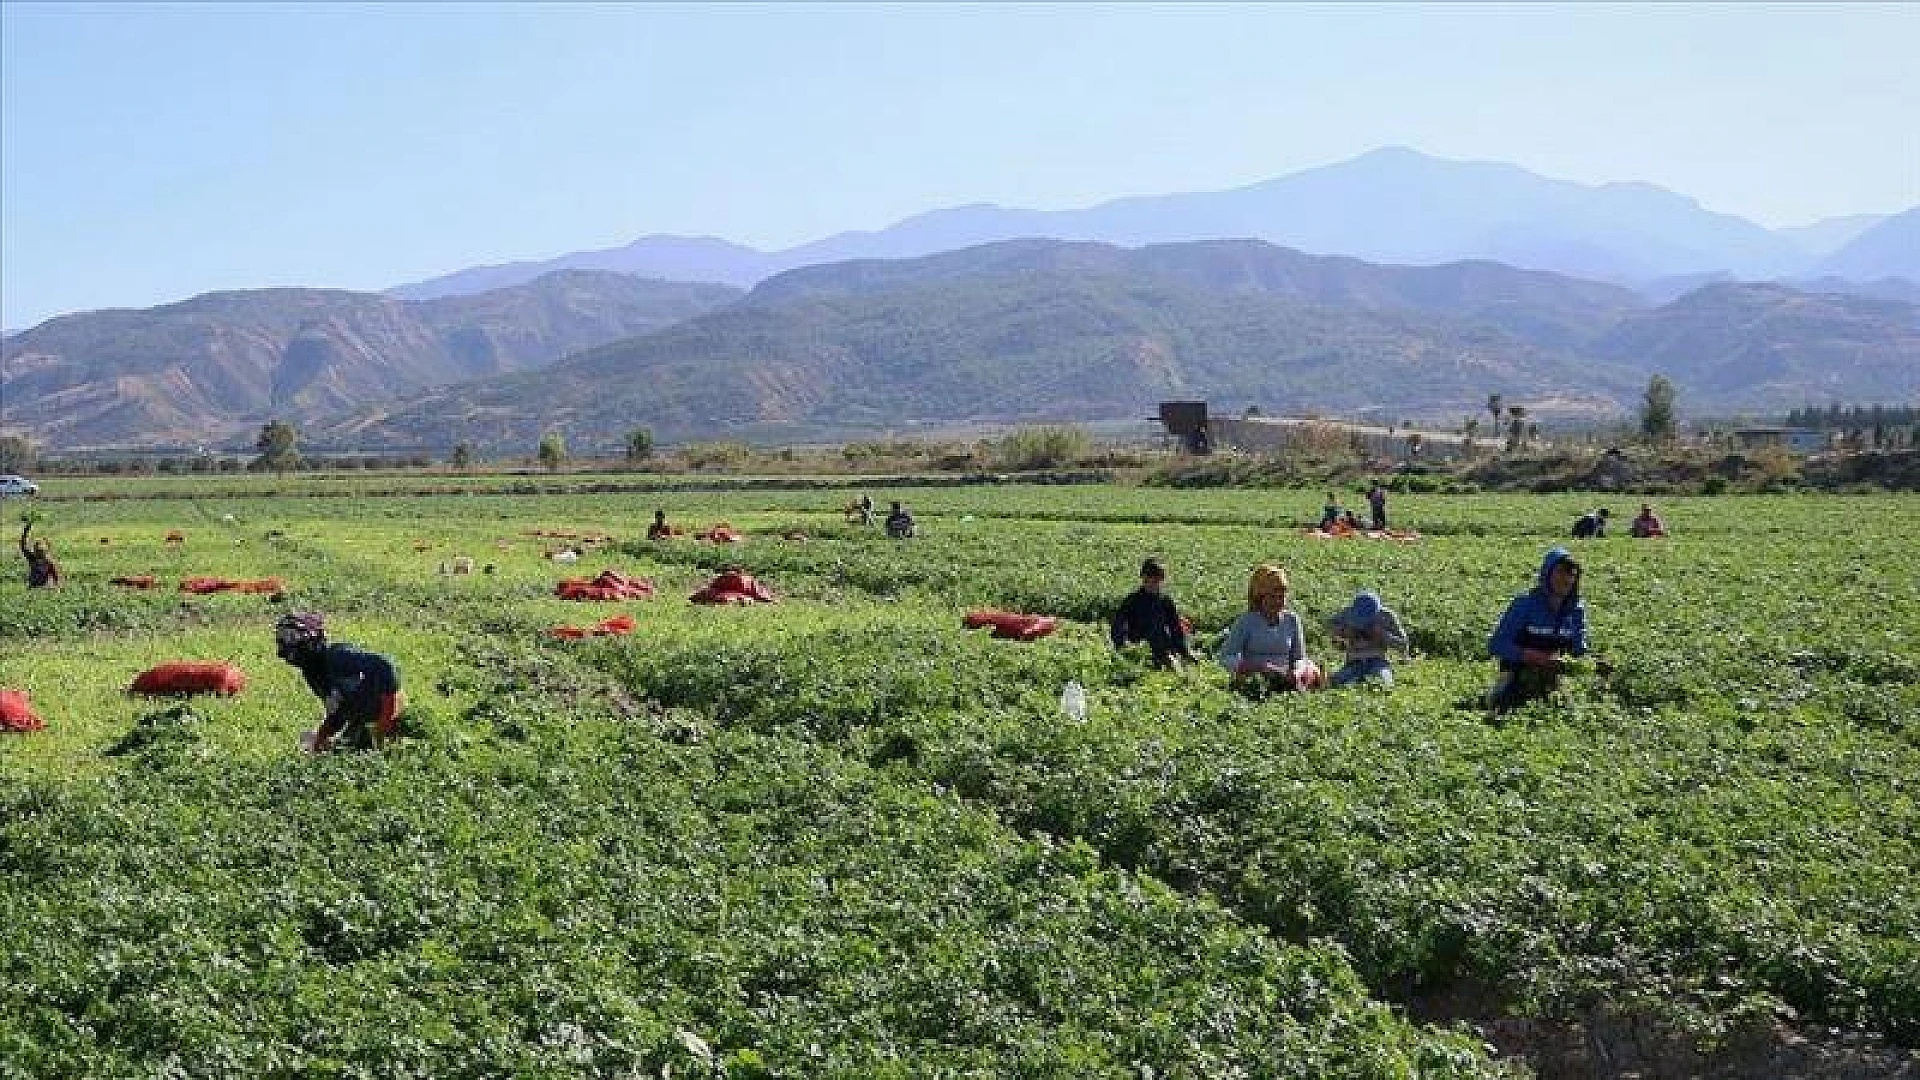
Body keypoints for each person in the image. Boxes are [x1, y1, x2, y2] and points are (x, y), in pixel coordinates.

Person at [1486, 547, 1607, 712]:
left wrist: (1593, 663)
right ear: (1547, 574)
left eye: (1571, 574)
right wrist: (1534, 657)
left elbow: (1579, 649)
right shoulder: (1525, 604)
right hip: (1517, 673)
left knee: (1566, 712)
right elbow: (1496, 644)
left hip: (1553, 679)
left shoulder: (1576, 610)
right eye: (1560, 572)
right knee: (1506, 707)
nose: (1565, 579)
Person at [275, 612, 404, 752]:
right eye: (282, 640)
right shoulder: (312, 673)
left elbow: (384, 667)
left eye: (291, 637)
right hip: (363, 724)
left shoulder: (338, 656)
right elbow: (338, 712)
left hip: (390, 718)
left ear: (313, 637)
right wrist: (321, 738)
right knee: (336, 751)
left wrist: (385, 723)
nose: (285, 647)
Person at [1218, 565, 1319, 693]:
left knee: (1311, 669)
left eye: (1281, 597)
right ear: (1260, 597)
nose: (1277, 602)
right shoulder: (1247, 621)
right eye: (1272, 597)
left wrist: (1296, 672)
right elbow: (1226, 657)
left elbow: (1299, 657)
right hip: (1257, 676)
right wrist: (1259, 668)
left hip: (1287, 675)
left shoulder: (1292, 620)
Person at [1109, 558, 1198, 670]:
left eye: (1155, 581)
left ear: (1161, 581)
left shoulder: (1165, 601)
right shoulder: (1132, 601)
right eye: (1147, 580)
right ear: (1143, 579)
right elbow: (1118, 626)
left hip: (1162, 649)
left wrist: (1185, 652)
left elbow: (1175, 629)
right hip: (1139, 650)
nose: (1151, 584)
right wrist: (1124, 647)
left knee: (1175, 669)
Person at [1327, 590, 1409, 687]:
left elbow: (1403, 645)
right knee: (1335, 682)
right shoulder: (1344, 616)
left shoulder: (1387, 617)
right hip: (1354, 662)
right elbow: (1336, 642)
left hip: (1378, 662)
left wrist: (1384, 636)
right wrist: (1344, 634)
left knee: (1384, 684)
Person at [18, 519, 59, 588]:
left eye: (41, 550)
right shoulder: (32, 558)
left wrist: (57, 587)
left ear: (45, 551)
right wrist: (26, 531)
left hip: (43, 587)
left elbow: (55, 578)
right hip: (33, 586)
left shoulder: (48, 563)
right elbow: (23, 545)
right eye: (37, 550)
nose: (39, 552)